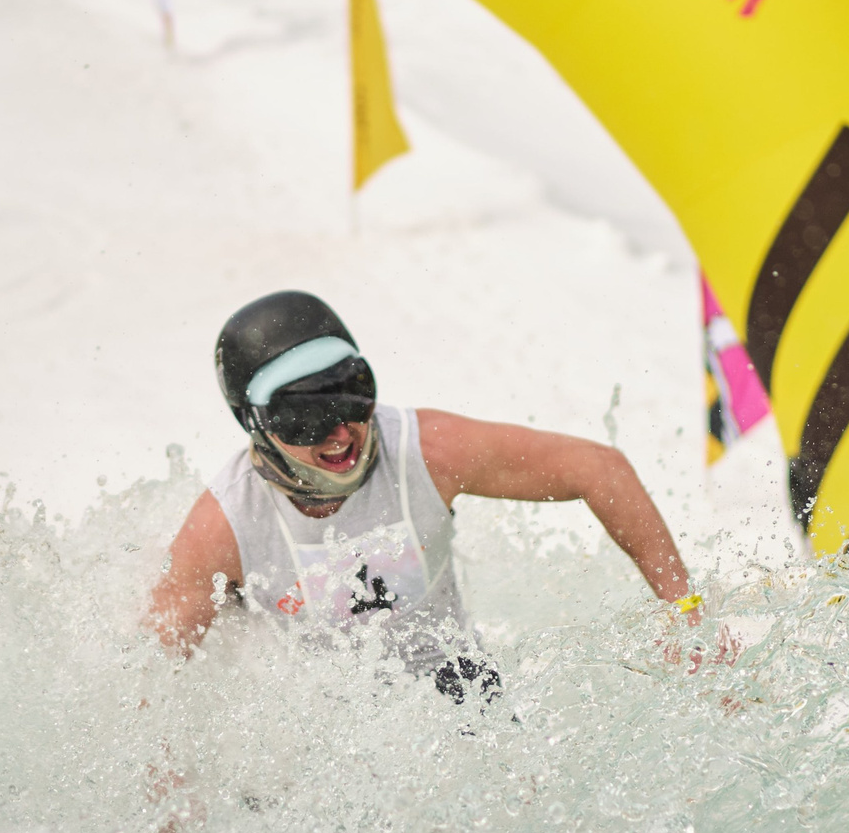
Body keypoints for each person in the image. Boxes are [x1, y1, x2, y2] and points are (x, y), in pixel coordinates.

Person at [145, 292, 733, 700]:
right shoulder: (222, 529)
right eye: (304, 419)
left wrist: (684, 612)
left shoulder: (428, 451)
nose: (339, 434)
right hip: (316, 719)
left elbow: (598, 469)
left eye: (350, 399)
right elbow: (150, 676)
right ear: (257, 426)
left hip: (454, 679)